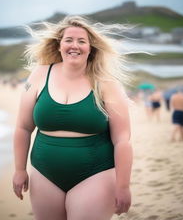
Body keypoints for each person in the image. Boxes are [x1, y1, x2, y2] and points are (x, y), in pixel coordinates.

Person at [12, 16, 133, 220]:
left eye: (81, 41)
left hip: (95, 173)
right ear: (59, 45)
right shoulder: (39, 75)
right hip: (43, 173)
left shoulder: (107, 83)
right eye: (68, 40)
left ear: (90, 48)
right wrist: (19, 169)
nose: (74, 45)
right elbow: (23, 127)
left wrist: (123, 186)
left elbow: (122, 140)